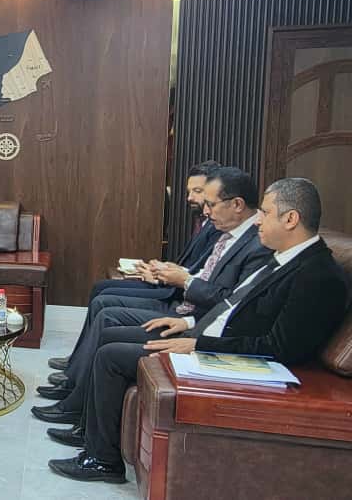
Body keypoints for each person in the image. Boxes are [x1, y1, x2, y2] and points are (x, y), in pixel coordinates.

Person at [47, 178, 349, 484]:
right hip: (206, 336)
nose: (258, 219)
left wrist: (198, 344)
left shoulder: (318, 276)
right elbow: (232, 304)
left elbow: (279, 348)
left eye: (266, 212)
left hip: (235, 360)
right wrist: (188, 324)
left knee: (111, 356)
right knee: (111, 335)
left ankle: (103, 461)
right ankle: (89, 434)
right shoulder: (283, 258)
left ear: (291, 219)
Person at [34, 167, 272, 418]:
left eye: (209, 202)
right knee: (104, 303)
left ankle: (76, 397)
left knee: (107, 317)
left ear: (237, 204)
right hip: (186, 310)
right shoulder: (230, 233)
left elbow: (229, 302)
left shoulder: (256, 245)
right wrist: (173, 273)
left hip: (191, 318)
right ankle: (76, 383)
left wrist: (184, 284)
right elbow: (207, 275)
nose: (205, 209)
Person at [46, 160, 223, 386]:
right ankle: (78, 361)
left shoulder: (219, 228)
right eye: (190, 191)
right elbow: (195, 268)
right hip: (172, 287)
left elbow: (201, 279)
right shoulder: (206, 222)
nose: (190, 198)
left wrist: (163, 276)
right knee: (101, 289)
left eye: (197, 191)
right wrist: (160, 269)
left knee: (104, 300)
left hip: (177, 298)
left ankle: (77, 371)